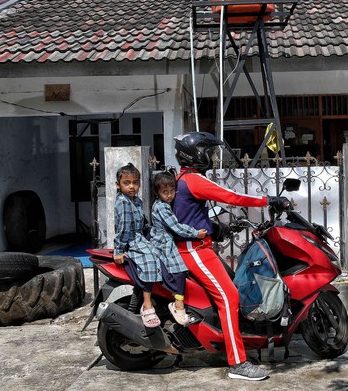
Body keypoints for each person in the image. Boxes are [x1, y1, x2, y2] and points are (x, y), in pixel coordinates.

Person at [171, 132, 288, 381]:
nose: (212, 158)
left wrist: (219, 228)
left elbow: (190, 215)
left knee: (228, 289)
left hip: (201, 246)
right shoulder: (193, 180)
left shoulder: (183, 179)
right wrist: (268, 200)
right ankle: (238, 363)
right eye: (208, 152)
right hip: (195, 250)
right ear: (195, 154)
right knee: (229, 297)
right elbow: (231, 197)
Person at [113, 164, 207, 328]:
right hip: (132, 240)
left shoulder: (137, 201)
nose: (132, 186)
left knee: (168, 264)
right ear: (118, 185)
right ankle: (147, 305)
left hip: (141, 236)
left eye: (135, 182)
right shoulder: (124, 203)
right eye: (127, 183)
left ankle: (173, 303)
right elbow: (123, 229)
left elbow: (142, 223)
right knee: (151, 263)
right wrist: (119, 251)